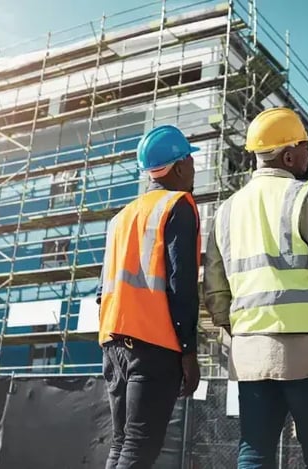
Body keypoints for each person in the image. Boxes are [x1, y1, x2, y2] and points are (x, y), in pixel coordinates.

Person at [203, 107, 308, 469]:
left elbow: (215, 289)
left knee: (254, 451)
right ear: (288, 155)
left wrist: (242, 334)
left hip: (250, 354)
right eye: (305, 147)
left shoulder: (226, 210)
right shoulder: (307, 197)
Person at [96, 125, 201, 468]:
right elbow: (180, 283)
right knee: (140, 447)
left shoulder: (121, 218)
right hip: (154, 345)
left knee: (123, 443)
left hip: (113, 344)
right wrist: (188, 351)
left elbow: (102, 292)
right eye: (191, 161)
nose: (194, 169)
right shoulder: (178, 205)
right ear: (180, 165)